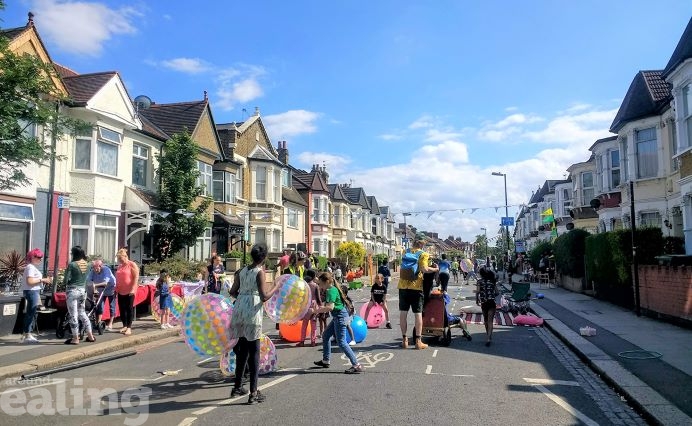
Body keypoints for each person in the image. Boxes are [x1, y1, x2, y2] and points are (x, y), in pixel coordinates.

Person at [228, 243, 281, 404]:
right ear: (264, 258)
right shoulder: (260, 272)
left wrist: (243, 295)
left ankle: (237, 386)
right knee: (255, 353)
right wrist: (276, 286)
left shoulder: (242, 271)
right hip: (252, 311)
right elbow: (264, 296)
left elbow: (232, 291)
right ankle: (253, 392)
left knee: (243, 350)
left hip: (239, 310)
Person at [313, 272, 363, 374]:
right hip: (337, 317)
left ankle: (356, 365)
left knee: (342, 342)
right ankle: (326, 360)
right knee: (326, 335)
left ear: (326, 282)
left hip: (340, 317)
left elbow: (330, 307)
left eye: (320, 284)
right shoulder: (331, 289)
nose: (319, 286)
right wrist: (319, 307)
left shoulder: (331, 290)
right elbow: (330, 306)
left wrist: (315, 311)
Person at [398, 236, 438, 350]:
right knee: (418, 314)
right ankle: (418, 341)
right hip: (416, 287)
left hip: (402, 286)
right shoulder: (423, 254)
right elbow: (425, 269)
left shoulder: (405, 252)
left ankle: (404, 340)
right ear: (421, 244)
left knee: (403, 313)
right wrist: (435, 269)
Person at [63, 246, 96, 345]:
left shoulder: (72, 265)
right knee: (82, 313)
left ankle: (75, 338)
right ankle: (90, 336)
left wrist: (69, 281)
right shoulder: (88, 265)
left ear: (74, 254)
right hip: (83, 291)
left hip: (72, 291)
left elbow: (65, 280)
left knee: (73, 314)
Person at [20, 249, 51, 343]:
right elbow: (30, 281)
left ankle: (26, 334)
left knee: (31, 312)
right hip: (32, 291)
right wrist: (43, 280)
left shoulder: (31, 267)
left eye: (41, 257)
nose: (40, 259)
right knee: (31, 313)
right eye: (38, 257)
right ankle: (27, 334)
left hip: (33, 291)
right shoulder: (31, 267)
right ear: (32, 257)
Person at [87, 259, 116, 331]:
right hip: (100, 289)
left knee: (111, 306)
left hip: (111, 288)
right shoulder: (92, 271)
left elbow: (105, 283)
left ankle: (110, 323)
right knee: (99, 305)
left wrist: (95, 285)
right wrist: (91, 285)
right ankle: (98, 323)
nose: (95, 270)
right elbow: (88, 280)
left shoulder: (106, 270)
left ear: (100, 266)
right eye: (93, 268)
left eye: (96, 268)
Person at [115, 248, 139, 336]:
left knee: (129, 309)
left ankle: (129, 327)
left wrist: (133, 289)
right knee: (122, 309)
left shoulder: (132, 264)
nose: (120, 261)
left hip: (130, 291)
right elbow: (118, 278)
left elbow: (136, 277)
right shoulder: (120, 266)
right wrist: (116, 289)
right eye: (119, 259)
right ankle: (124, 325)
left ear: (125, 257)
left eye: (121, 259)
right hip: (120, 290)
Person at [476, 265, 499, 347]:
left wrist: (477, 300)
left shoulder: (479, 281)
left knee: (485, 320)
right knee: (490, 321)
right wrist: (491, 294)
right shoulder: (492, 281)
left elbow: (478, 292)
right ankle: (489, 337)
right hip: (491, 302)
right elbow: (497, 292)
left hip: (484, 302)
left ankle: (488, 335)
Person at [297, 269, 320, 347]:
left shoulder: (303, 285)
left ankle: (302, 341)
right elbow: (318, 298)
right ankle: (313, 341)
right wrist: (320, 306)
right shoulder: (316, 286)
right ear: (314, 277)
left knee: (304, 325)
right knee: (314, 326)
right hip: (314, 307)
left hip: (305, 306)